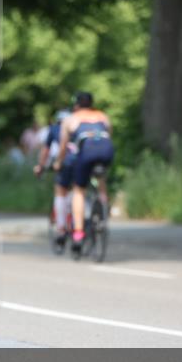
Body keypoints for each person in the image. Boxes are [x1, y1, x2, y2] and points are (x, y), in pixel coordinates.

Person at [55, 92, 114, 253]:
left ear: (76, 105)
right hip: (106, 150)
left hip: (86, 151)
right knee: (100, 176)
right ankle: (103, 204)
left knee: (79, 191)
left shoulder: (70, 119)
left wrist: (59, 162)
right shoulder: (102, 115)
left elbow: (63, 146)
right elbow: (110, 134)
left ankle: (78, 233)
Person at [35, 109, 75, 248]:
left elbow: (45, 150)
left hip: (64, 162)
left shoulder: (54, 129)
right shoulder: (77, 126)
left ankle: (61, 228)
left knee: (60, 191)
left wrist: (40, 166)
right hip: (81, 161)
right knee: (78, 190)